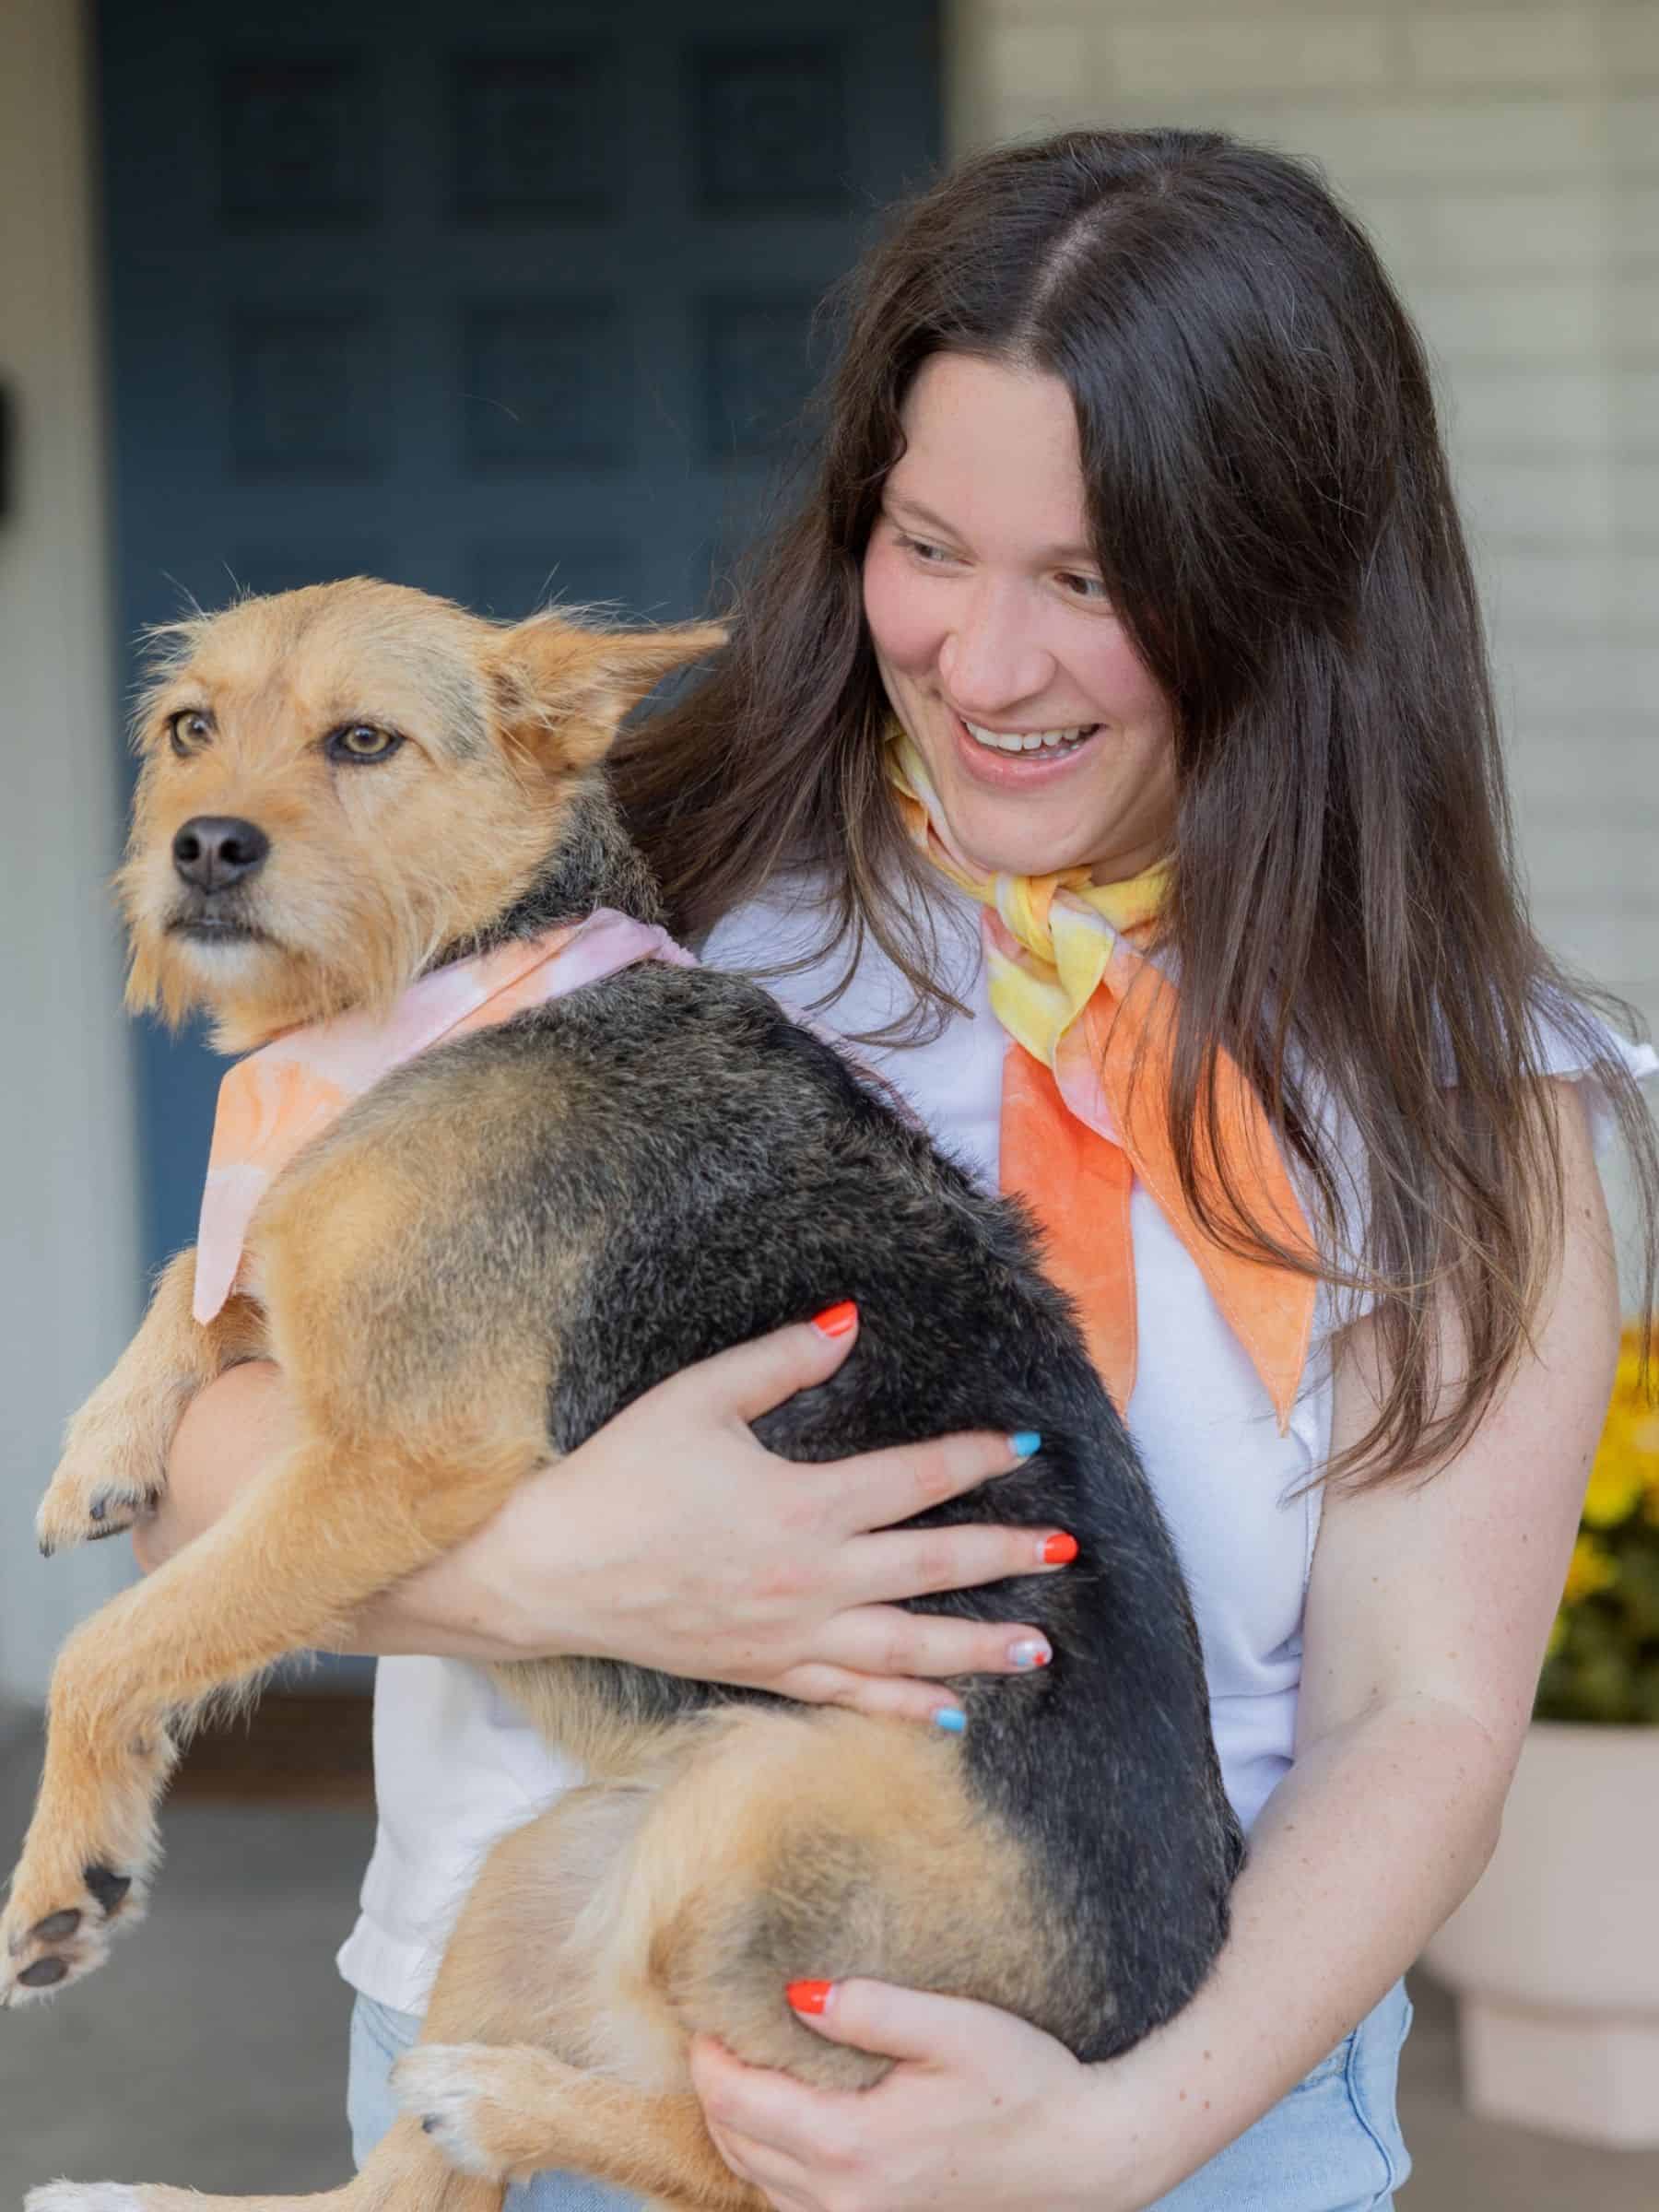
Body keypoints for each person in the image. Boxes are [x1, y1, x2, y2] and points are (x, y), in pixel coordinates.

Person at [146, 129, 1658, 2212]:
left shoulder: (1477, 1091)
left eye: (1098, 581)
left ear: (1288, 577)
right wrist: (552, 1573)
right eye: (928, 546)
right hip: (542, 2080)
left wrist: (1115, 2134)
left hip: (1186, 2119)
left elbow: (1424, 1716)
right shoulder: (604, 904)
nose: (984, 664)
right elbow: (216, 1433)